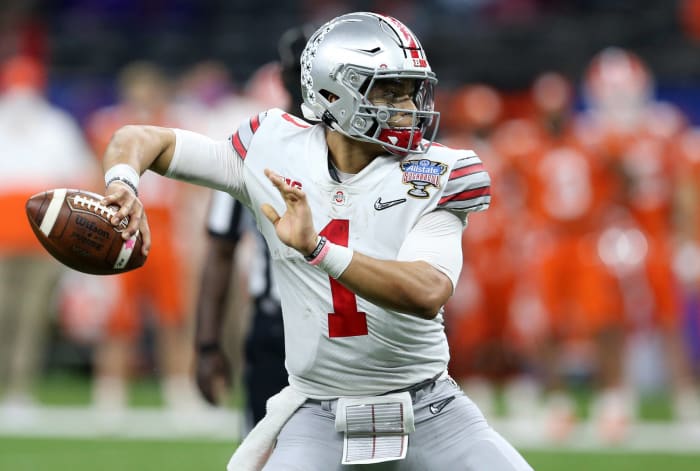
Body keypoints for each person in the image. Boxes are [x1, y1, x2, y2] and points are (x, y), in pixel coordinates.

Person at [98, 12, 532, 470]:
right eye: (388, 90)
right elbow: (140, 138)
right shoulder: (272, 146)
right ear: (332, 93)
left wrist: (317, 248)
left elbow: (427, 292)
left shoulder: (436, 173)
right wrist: (124, 183)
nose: (407, 105)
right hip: (319, 414)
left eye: (410, 89)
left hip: (430, 410)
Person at [195, 26, 313, 431]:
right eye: (302, 71)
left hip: (351, 328)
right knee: (265, 452)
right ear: (283, 76)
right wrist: (208, 343)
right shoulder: (251, 147)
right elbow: (221, 248)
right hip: (277, 325)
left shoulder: (364, 146)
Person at [0, 54, 98, 420]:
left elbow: (80, 175)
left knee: (31, 316)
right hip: (4, 235)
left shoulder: (56, 126)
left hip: (41, 235)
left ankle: (19, 390)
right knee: (5, 313)